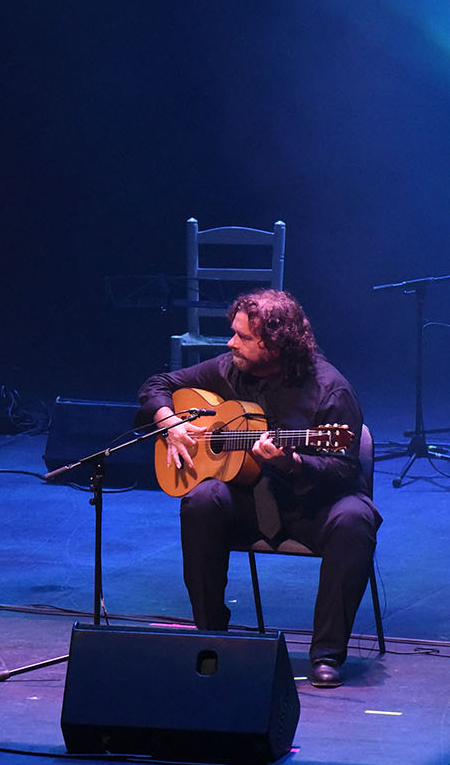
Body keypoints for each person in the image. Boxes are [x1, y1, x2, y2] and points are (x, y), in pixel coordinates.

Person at [139, 289, 380, 688]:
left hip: (312, 506)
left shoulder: (331, 390)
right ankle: (212, 638)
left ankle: (326, 655)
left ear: (275, 343)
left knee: (355, 518)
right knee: (201, 499)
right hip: (250, 503)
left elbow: (343, 468)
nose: (230, 343)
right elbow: (157, 384)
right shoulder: (230, 370)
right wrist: (172, 423)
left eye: (243, 337)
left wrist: (291, 461)